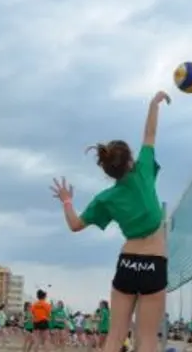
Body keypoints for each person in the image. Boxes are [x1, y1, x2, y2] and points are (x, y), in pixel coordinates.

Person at [51, 90, 171, 352]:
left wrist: (67, 201)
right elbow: (149, 135)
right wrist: (154, 104)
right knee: (147, 339)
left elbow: (75, 225)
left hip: (128, 261)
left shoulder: (106, 198)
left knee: (115, 338)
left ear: (108, 171)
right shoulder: (143, 171)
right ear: (130, 160)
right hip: (154, 261)